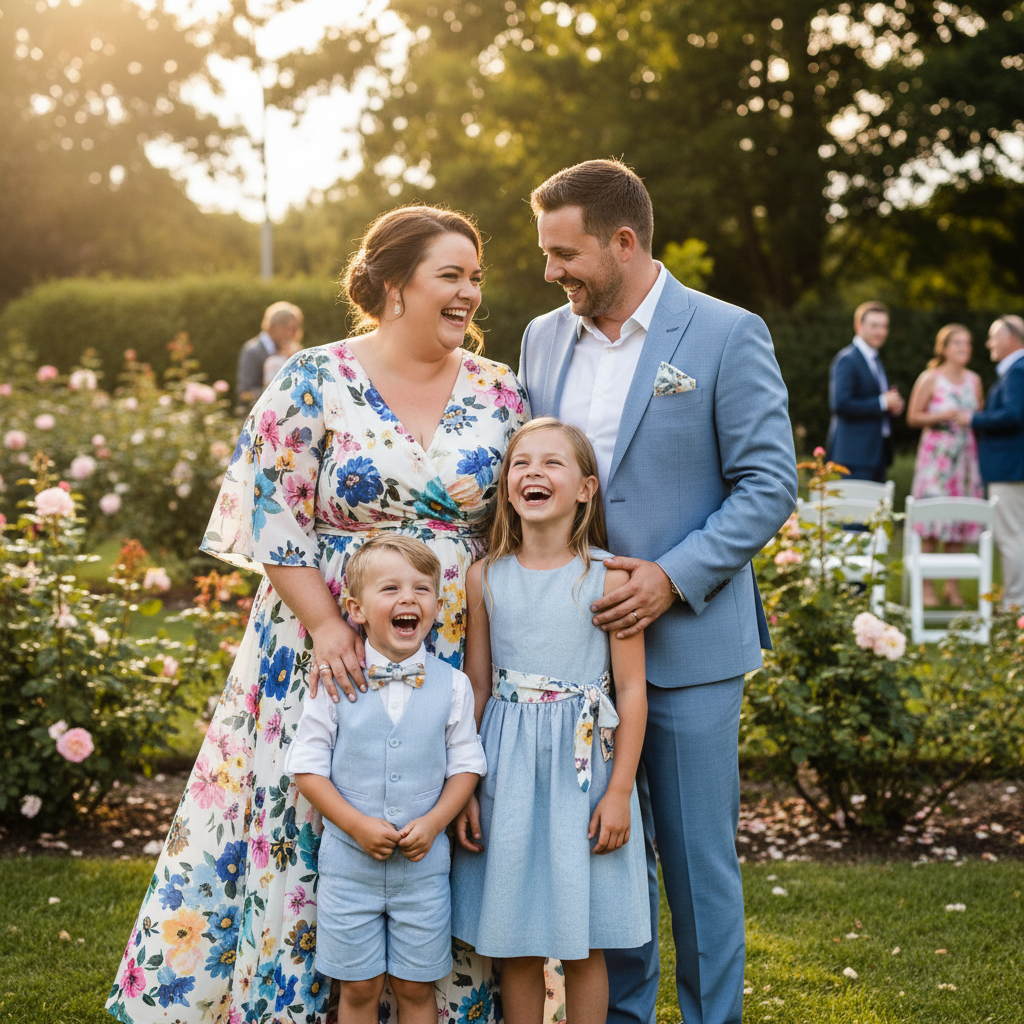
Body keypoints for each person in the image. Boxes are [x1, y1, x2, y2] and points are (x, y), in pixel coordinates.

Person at [106, 205, 529, 1024]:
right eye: (452, 275)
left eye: (476, 277)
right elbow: (275, 516)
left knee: (440, 815)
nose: (471, 293)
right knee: (313, 817)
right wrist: (330, 627)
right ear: (396, 283)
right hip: (324, 638)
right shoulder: (313, 376)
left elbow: (519, 515)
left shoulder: (500, 388)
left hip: (453, 640)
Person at [516, 159, 798, 1024]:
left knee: (695, 862)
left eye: (566, 253)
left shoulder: (724, 332)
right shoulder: (540, 338)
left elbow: (768, 483)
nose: (552, 271)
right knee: (611, 862)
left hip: (689, 646)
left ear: (625, 241)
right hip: (570, 658)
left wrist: (672, 579)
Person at [451, 418, 650, 1024]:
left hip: (583, 773)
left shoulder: (610, 576)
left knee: (583, 939)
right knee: (516, 939)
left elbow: (634, 691)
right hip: (507, 771)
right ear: (508, 486)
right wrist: (467, 789)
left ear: (587, 488)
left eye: (552, 463)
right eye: (521, 463)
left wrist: (619, 792)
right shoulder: (485, 576)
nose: (533, 472)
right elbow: (478, 689)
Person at [287, 535, 485, 1024]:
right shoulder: (335, 681)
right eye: (390, 588)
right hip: (348, 872)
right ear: (355, 608)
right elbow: (307, 767)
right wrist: (355, 824)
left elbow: (466, 765)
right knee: (358, 986)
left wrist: (436, 821)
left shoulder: (453, 685)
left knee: (416, 988)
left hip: (423, 876)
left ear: (437, 606)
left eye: (421, 589)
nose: (407, 599)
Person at [906, 324, 985, 606]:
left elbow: (980, 414)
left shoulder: (974, 380)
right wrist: (945, 414)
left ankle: (952, 587)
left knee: (958, 523)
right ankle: (926, 587)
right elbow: (913, 417)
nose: (964, 348)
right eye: (958, 343)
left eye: (968, 343)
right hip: (936, 460)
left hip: (964, 460)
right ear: (944, 348)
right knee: (931, 524)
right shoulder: (930, 378)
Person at [955, 314, 1024, 610]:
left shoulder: (1018, 370)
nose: (988, 343)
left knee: (1012, 536)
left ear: (1010, 338)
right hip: (1012, 466)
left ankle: (1015, 605)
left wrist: (974, 418)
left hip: (1010, 467)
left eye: (993, 336)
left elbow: (1014, 414)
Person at [827, 301, 906, 481]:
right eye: (874, 326)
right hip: (854, 456)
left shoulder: (875, 359)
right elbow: (840, 403)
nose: (881, 332)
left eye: (884, 326)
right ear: (858, 326)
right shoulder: (847, 359)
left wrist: (891, 405)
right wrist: (882, 402)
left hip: (877, 453)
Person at [236, 301, 304, 413]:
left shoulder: (291, 351)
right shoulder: (252, 351)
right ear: (275, 327)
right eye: (291, 329)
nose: (295, 334)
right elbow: (245, 393)